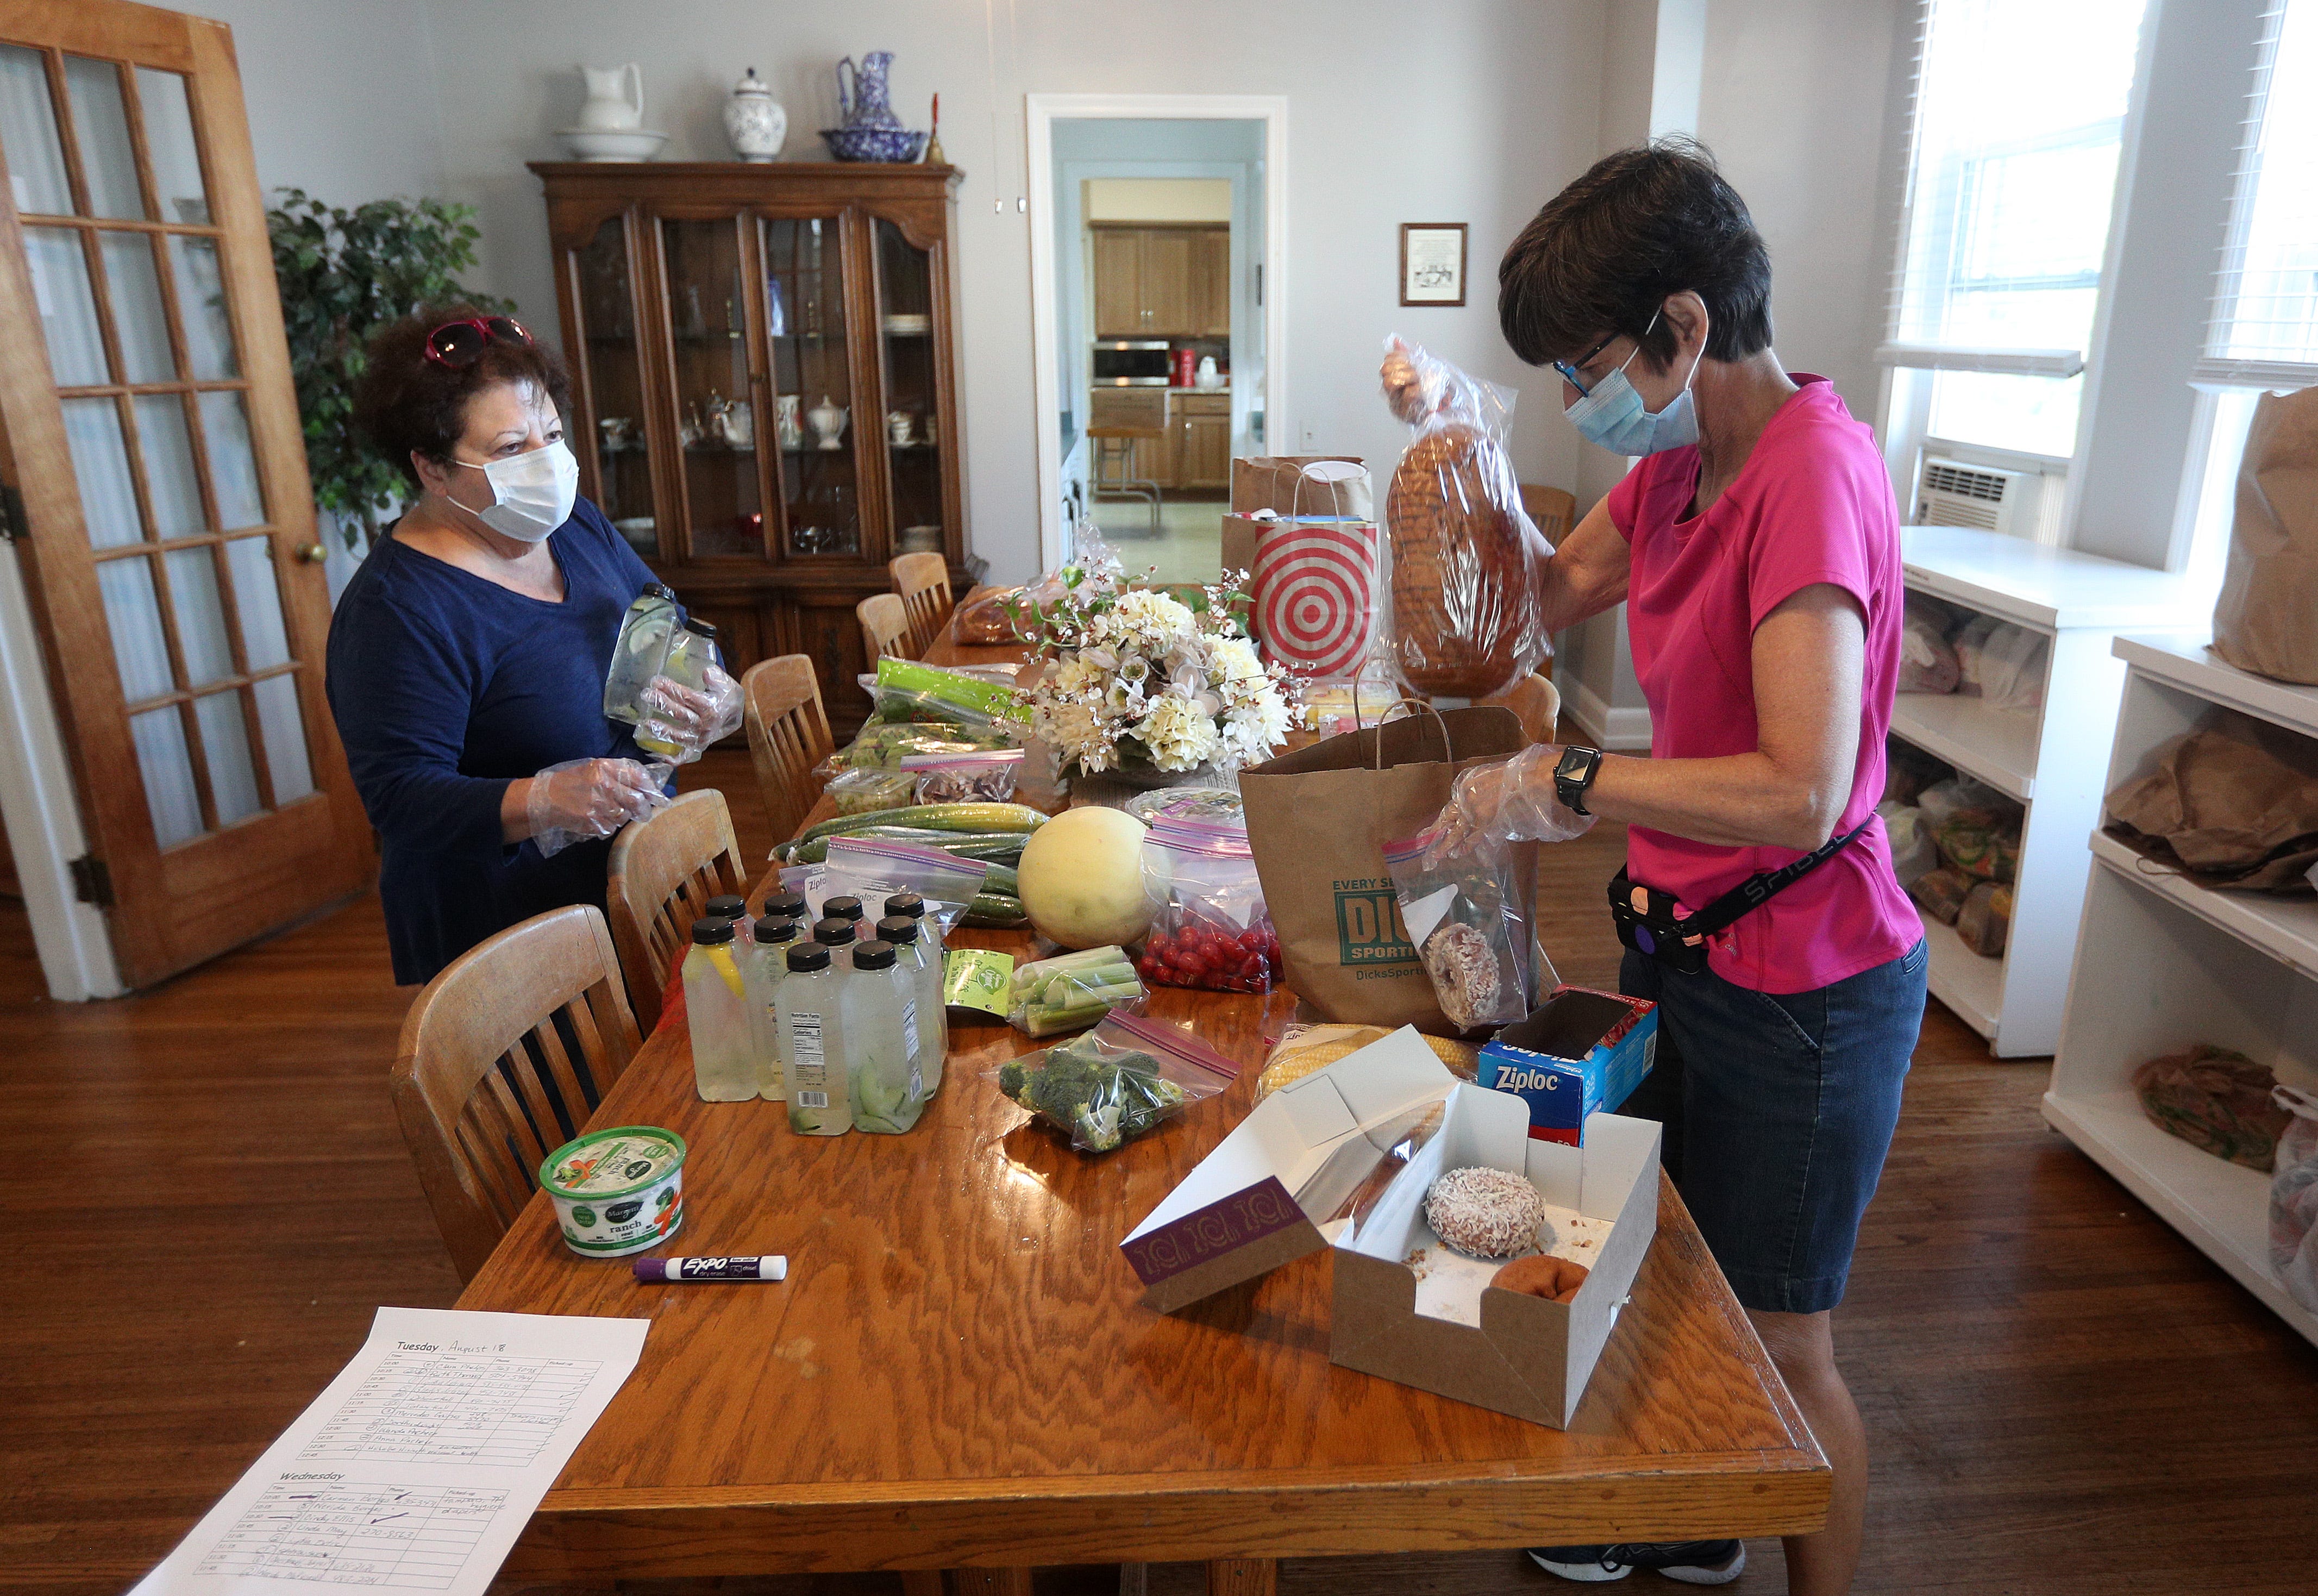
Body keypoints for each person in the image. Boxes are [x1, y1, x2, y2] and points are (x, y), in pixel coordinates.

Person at [1425, 140, 1926, 1595]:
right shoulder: (1680, 471)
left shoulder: (1808, 476)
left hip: (1807, 987)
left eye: (1584, 368)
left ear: (1683, 327)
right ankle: (1690, 1516)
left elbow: (1798, 788)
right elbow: (1536, 593)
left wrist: (1563, 776)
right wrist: (1457, 441)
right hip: (1687, 949)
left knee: (1789, 1340)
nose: (1582, 402)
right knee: (1672, 1269)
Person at [327, 308, 740, 986]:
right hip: (511, 938)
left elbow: (664, 621)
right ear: (432, 469)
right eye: (511, 448)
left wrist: (713, 690)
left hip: (634, 880)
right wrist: (543, 801)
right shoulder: (397, 612)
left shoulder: (572, 520)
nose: (546, 463)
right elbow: (400, 798)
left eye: (551, 434)